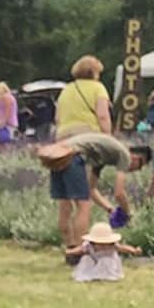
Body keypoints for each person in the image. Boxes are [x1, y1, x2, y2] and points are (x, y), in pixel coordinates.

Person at [37, 129, 149, 255]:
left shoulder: (103, 155)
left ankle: (71, 250)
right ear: (137, 158)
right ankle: (82, 251)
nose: (135, 170)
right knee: (83, 207)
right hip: (73, 156)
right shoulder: (124, 155)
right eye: (139, 167)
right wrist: (127, 213)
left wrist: (109, 208)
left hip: (59, 156)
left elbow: (92, 189)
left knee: (65, 206)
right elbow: (119, 192)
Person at [47, 55, 113, 251]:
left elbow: (58, 118)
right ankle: (80, 249)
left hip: (60, 148)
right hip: (83, 145)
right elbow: (102, 115)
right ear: (94, 73)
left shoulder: (66, 90)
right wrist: (107, 139)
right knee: (83, 203)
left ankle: (68, 246)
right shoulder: (97, 88)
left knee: (64, 202)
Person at [64, 218, 142, 282]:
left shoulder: (113, 246)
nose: (103, 246)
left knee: (105, 260)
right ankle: (90, 274)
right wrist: (70, 252)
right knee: (86, 259)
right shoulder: (89, 246)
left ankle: (108, 276)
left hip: (108, 265)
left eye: (105, 243)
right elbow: (80, 249)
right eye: (99, 243)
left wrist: (134, 250)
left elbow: (123, 248)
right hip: (93, 263)